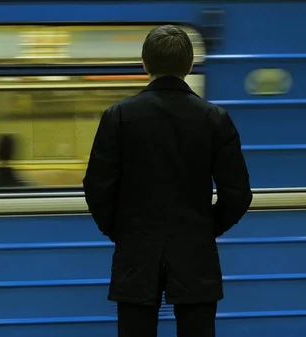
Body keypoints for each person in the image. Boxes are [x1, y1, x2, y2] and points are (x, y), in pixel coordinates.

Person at [83, 25, 253, 337]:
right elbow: (238, 195)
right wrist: (204, 228)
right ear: (189, 66)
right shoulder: (214, 118)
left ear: (145, 64)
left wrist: (123, 231)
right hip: (195, 253)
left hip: (136, 252)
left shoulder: (118, 116)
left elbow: (96, 187)